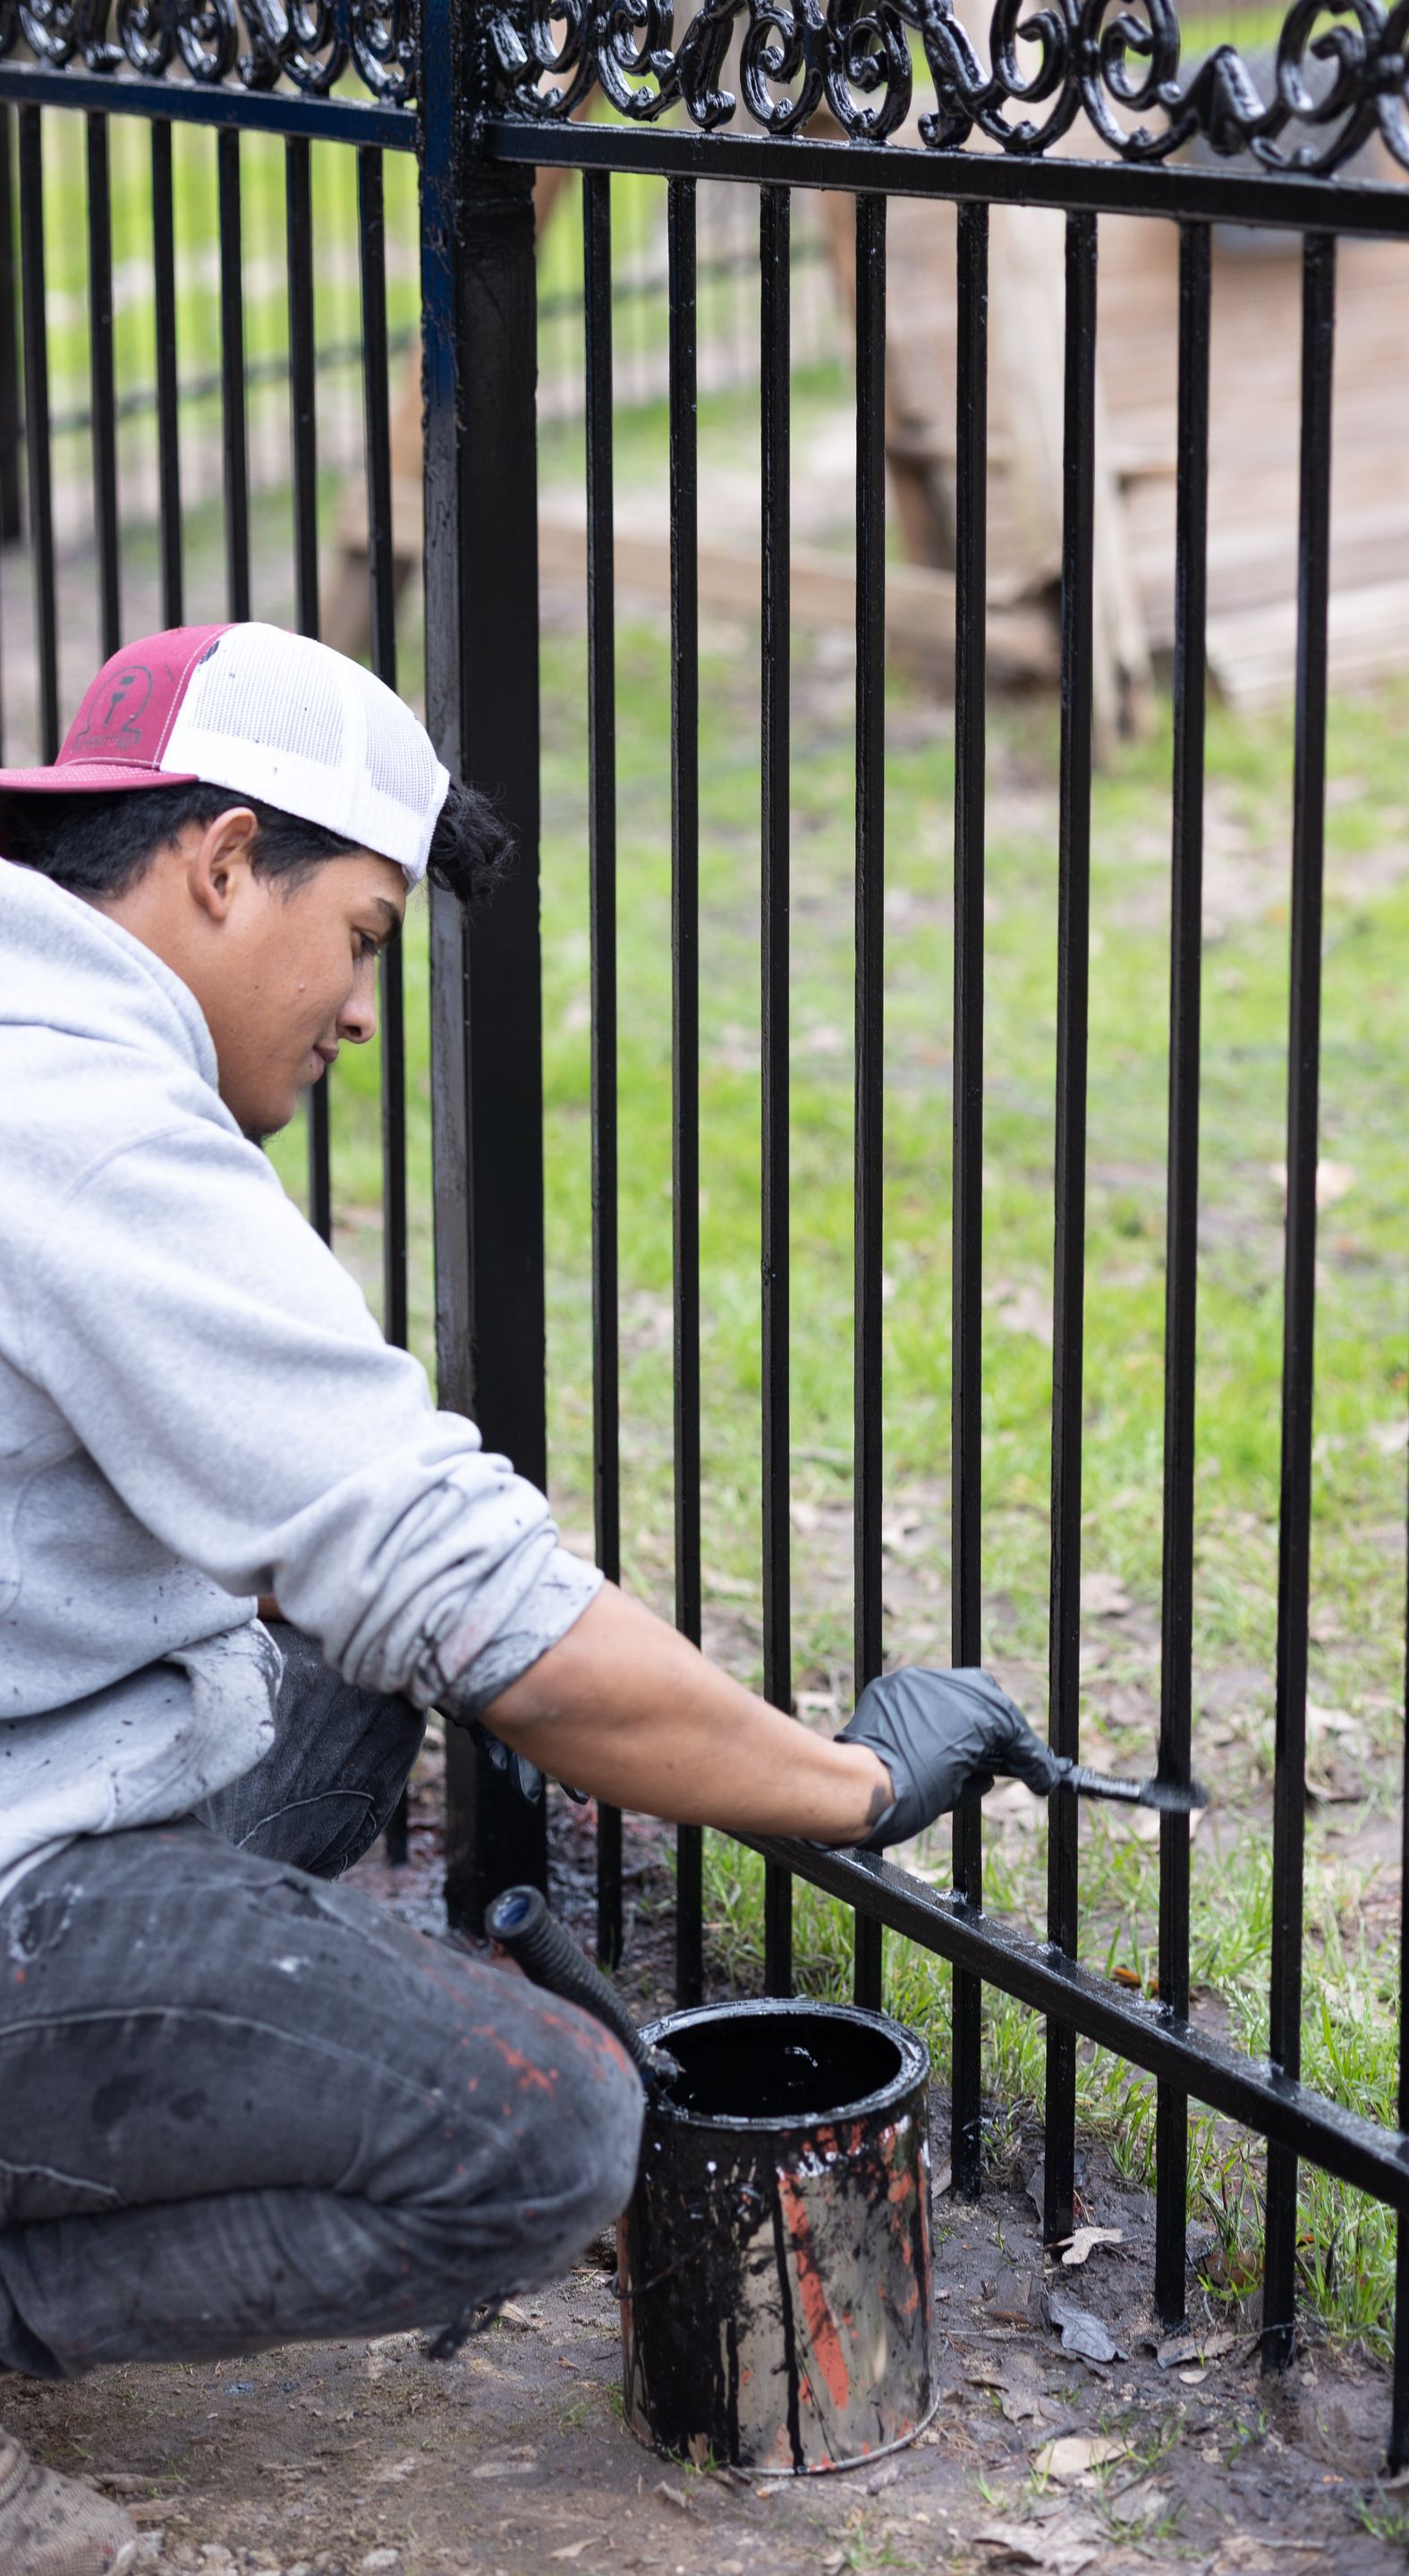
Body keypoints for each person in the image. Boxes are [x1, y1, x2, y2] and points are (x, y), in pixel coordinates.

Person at [0, 624, 1068, 2576]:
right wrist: (846, 1786)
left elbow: (371, 1575)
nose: (361, 1012)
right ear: (225, 864)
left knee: (338, 1679)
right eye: (369, 937)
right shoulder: (74, 1125)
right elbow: (462, 1589)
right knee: (543, 2127)